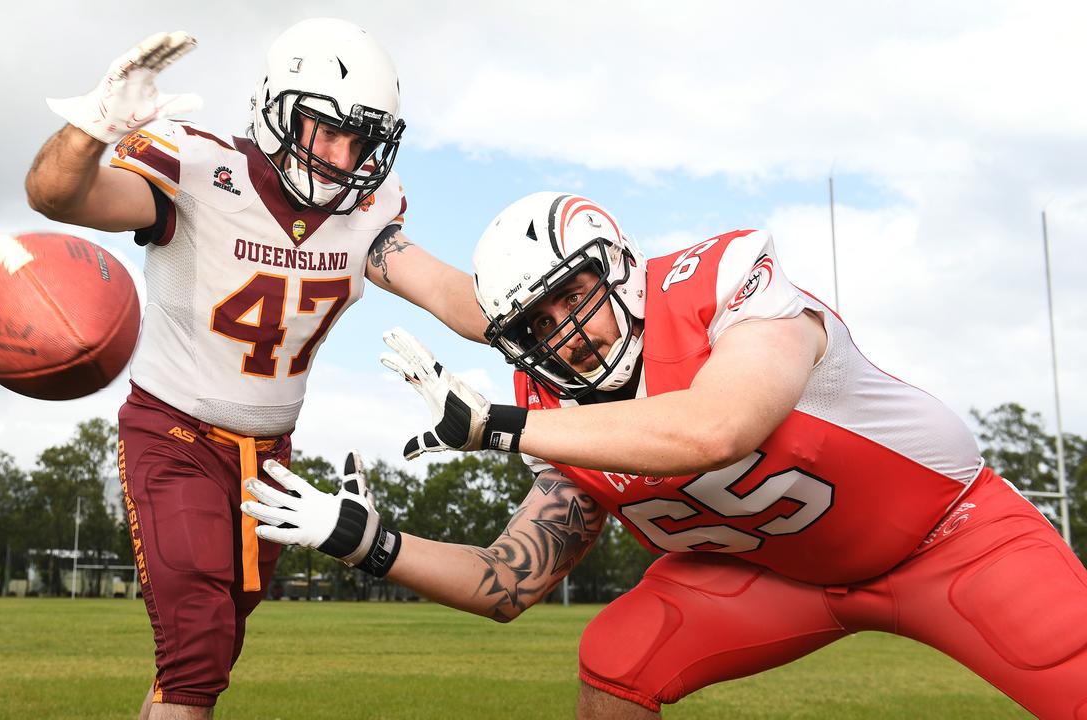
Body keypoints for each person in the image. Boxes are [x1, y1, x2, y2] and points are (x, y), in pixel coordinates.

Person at [242, 192, 1087, 719]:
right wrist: (358, 536)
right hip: (771, 577)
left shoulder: (723, 286)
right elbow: (507, 582)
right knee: (617, 659)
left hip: (947, 535)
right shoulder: (553, 413)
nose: (567, 332)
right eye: (536, 325)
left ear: (621, 269)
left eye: (575, 297)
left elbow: (720, 428)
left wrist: (499, 425)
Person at [24, 20, 486, 720]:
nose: (343, 155)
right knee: (196, 651)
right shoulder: (196, 167)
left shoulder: (367, 210)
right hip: (174, 435)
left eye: (362, 141)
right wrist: (92, 130)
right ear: (277, 109)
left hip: (270, 458)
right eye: (325, 130)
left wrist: (544, 317)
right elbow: (56, 196)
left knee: (208, 652)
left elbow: (452, 294)